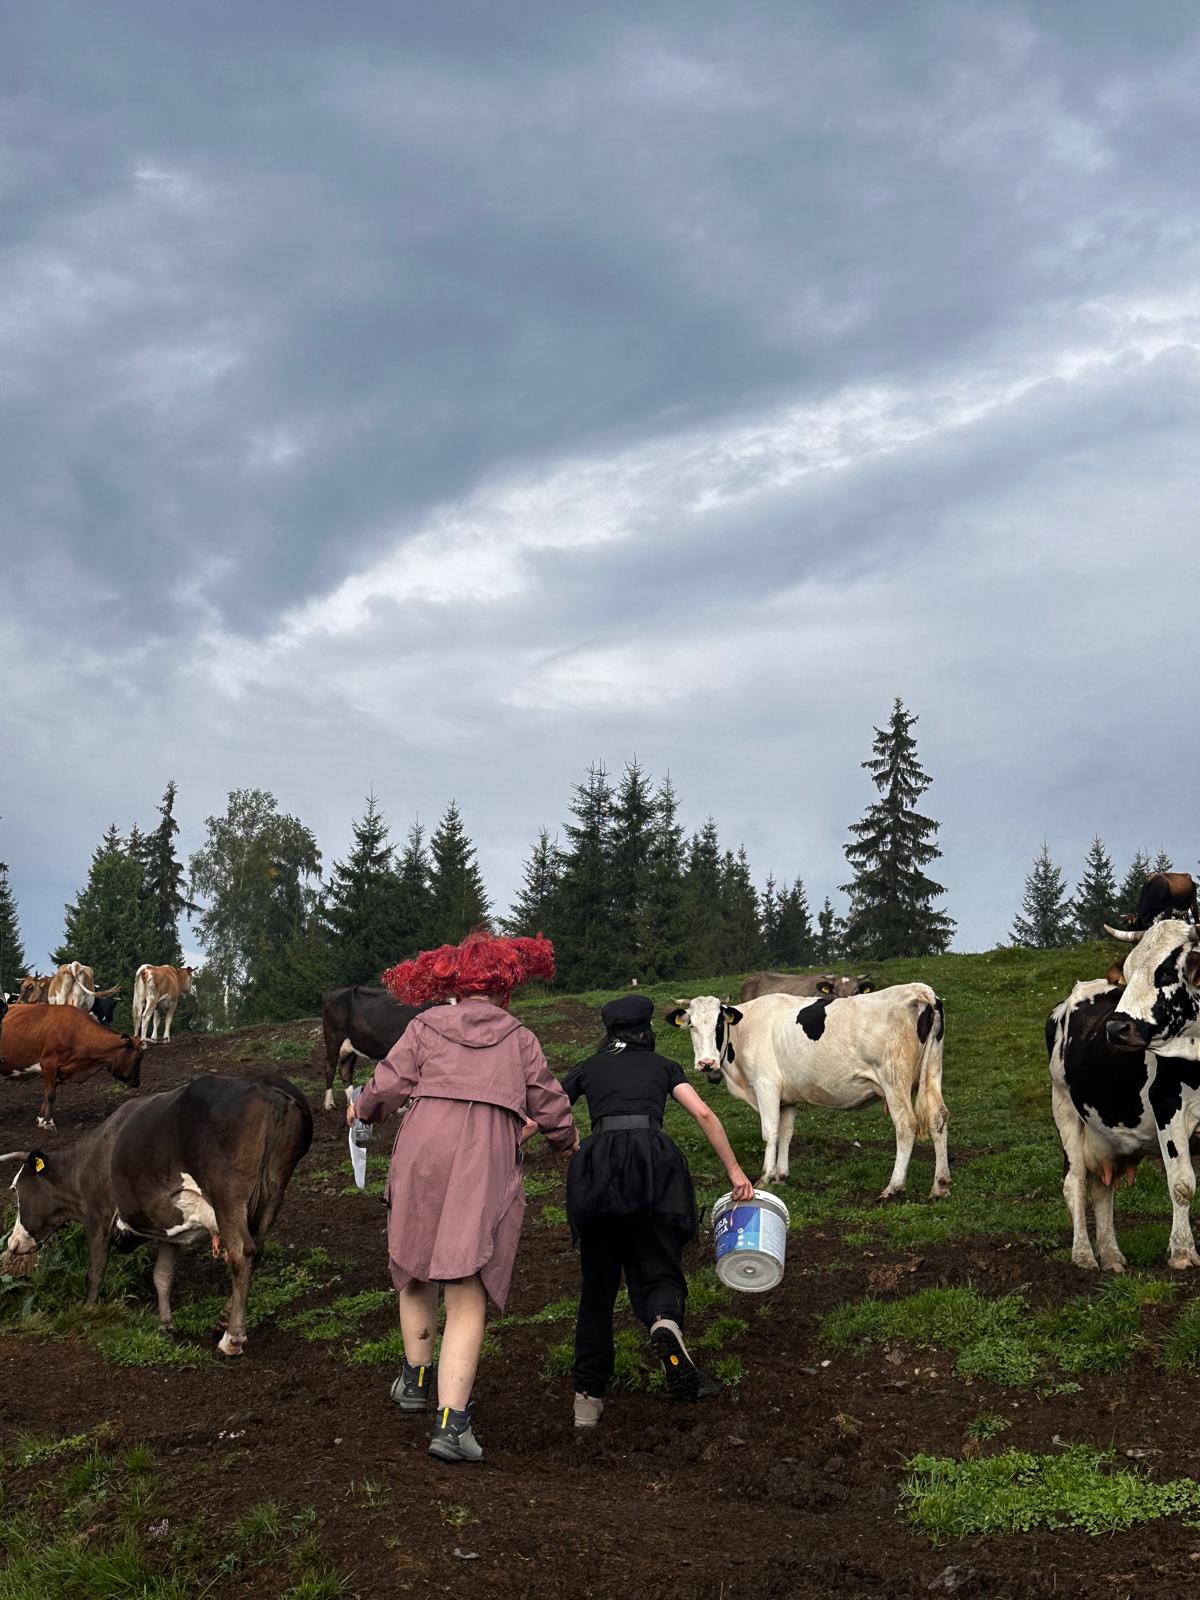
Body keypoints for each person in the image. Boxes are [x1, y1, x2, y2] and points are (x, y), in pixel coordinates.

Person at [349, 931, 578, 1464]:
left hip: (424, 1144)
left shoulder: (425, 1025)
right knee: (467, 1281)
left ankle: (414, 1380)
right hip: (484, 1154)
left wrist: (363, 1111)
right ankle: (451, 1427)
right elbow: (549, 1103)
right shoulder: (520, 1037)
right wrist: (567, 1143)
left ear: (453, 982)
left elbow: (385, 1086)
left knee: (415, 1261)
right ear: (504, 987)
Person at [564, 993, 754, 1428]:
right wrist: (735, 1171)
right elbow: (704, 1113)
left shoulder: (588, 1068)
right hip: (654, 1167)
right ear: (647, 1030)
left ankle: (587, 1401)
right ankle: (664, 1322)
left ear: (609, 1031)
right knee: (658, 1265)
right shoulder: (662, 1066)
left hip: (598, 1174)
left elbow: (543, 1113)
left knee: (596, 1290)